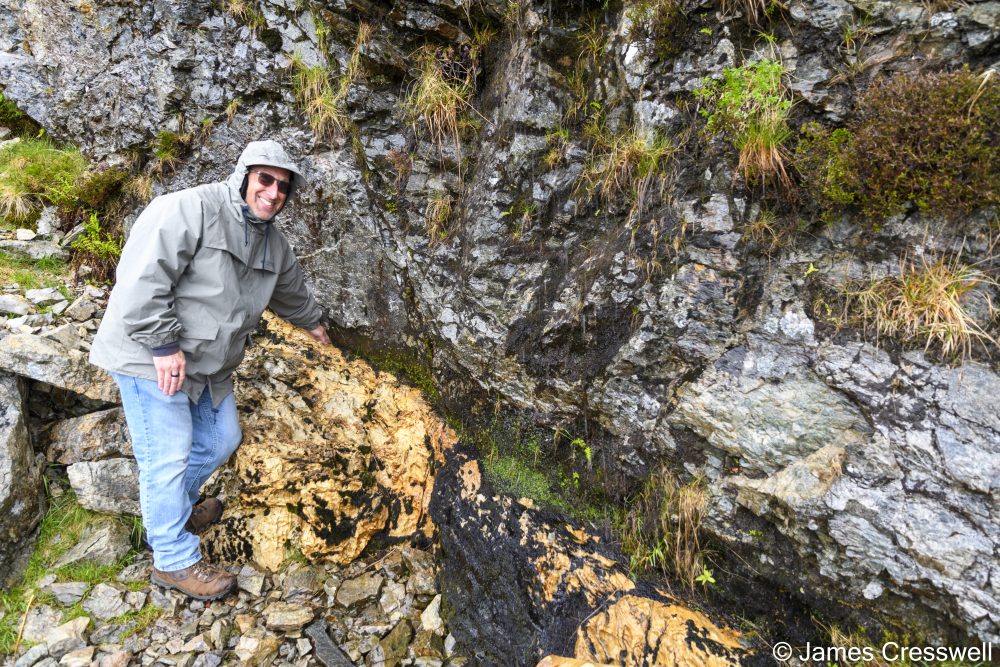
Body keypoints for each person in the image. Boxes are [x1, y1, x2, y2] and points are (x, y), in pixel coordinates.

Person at [90, 140, 332, 600]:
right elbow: (142, 277)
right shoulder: (189, 208)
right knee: (168, 454)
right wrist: (163, 346)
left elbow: (292, 294)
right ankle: (173, 559)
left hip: (207, 366)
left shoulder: (274, 245)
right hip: (150, 355)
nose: (273, 192)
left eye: (283, 186)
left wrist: (317, 328)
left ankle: (172, 513)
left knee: (223, 439)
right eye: (265, 179)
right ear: (244, 175)